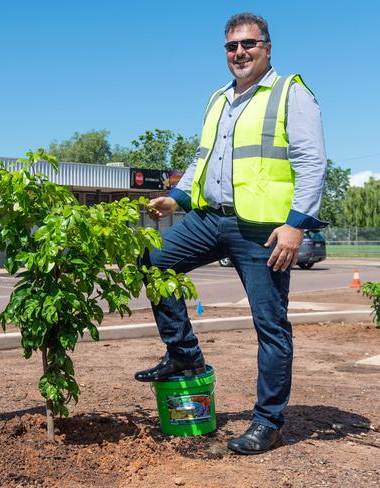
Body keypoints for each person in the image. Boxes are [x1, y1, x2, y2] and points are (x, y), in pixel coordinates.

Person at [134, 12, 326, 455]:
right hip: (209, 219)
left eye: (249, 44)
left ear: (267, 47)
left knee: (270, 325)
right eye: (231, 46)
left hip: (263, 230)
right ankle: (183, 352)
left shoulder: (289, 94)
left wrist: (296, 225)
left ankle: (269, 422)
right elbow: (203, 159)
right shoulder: (219, 98)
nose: (240, 52)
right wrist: (177, 199)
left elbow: (312, 163)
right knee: (153, 261)